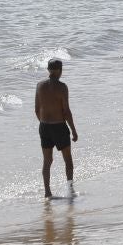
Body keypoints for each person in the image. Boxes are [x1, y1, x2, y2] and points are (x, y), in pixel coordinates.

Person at [35, 58, 79, 198]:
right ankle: (70, 190)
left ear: (48, 70)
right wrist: (73, 130)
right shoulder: (62, 87)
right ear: (60, 70)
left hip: (44, 127)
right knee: (68, 160)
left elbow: (36, 109)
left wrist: (44, 124)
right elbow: (66, 111)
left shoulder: (39, 86)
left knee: (47, 161)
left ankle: (47, 192)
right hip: (59, 127)